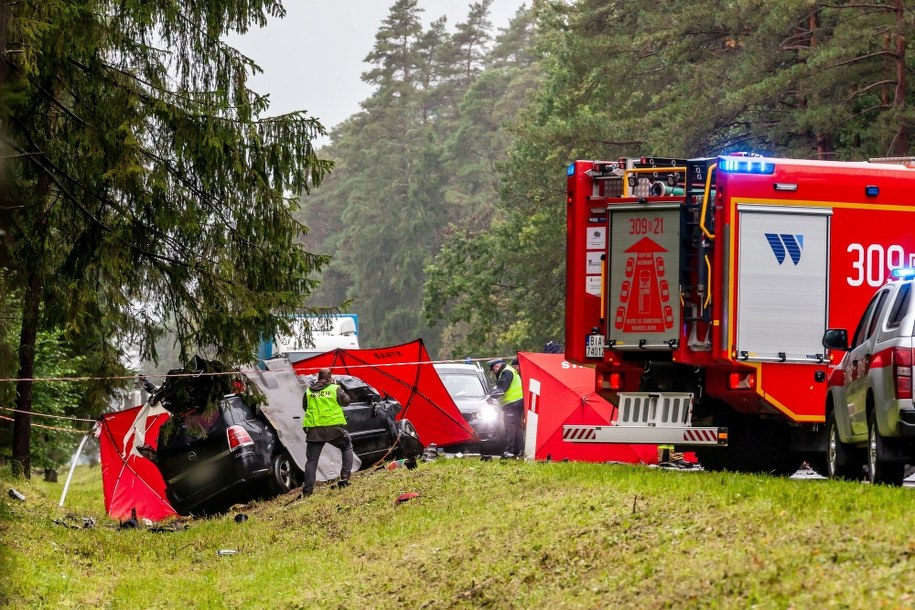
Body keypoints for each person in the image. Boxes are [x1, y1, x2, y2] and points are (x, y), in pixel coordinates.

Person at [301, 368, 353, 496]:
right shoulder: (335, 388)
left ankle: (307, 490)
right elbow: (347, 402)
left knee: (311, 461)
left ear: (318, 378)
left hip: (314, 431)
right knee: (347, 446)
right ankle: (345, 477)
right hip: (334, 429)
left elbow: (305, 407)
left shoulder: (309, 391)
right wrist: (336, 386)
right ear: (330, 377)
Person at [487, 358, 525, 458]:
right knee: (517, 428)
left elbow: (501, 388)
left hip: (512, 404)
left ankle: (509, 451)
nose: (494, 372)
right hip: (518, 403)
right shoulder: (509, 370)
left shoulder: (506, 372)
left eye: (494, 370)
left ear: (497, 366)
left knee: (510, 427)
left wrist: (491, 397)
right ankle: (518, 451)